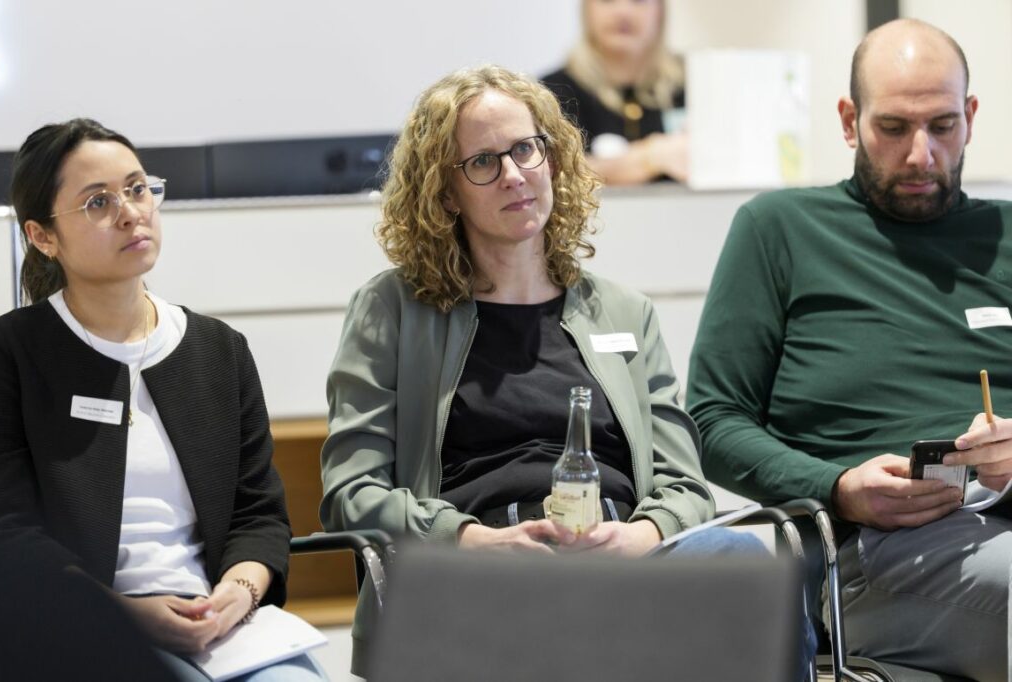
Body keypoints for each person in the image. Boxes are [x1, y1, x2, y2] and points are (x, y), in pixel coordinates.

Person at [319, 65, 718, 675]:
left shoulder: (623, 312)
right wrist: (469, 539)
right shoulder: (393, 310)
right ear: (444, 193)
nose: (513, 175)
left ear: (552, 159)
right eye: (483, 162)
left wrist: (638, 538)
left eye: (526, 149)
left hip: (620, 566)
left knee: (740, 562)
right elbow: (351, 493)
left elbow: (686, 488)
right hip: (473, 573)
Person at [687, 18, 1011, 680]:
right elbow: (711, 422)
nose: (920, 154)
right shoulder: (781, 229)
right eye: (893, 127)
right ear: (848, 120)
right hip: (879, 548)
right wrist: (835, 487)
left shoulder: (1006, 235)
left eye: (943, 126)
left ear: (971, 117)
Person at [0, 119, 326, 681]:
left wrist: (238, 593)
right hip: (80, 630)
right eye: (98, 202)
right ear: (43, 237)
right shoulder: (8, 355)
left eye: (137, 188)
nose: (130, 212)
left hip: (222, 626)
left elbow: (258, 513)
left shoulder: (219, 349)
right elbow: (8, 534)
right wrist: (125, 615)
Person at [542, 0, 688, 185]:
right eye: (607, 0)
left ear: (660, 11)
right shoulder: (553, 92)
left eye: (638, 1)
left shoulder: (694, 82)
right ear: (586, 9)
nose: (623, 12)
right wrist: (652, 157)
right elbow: (552, 173)